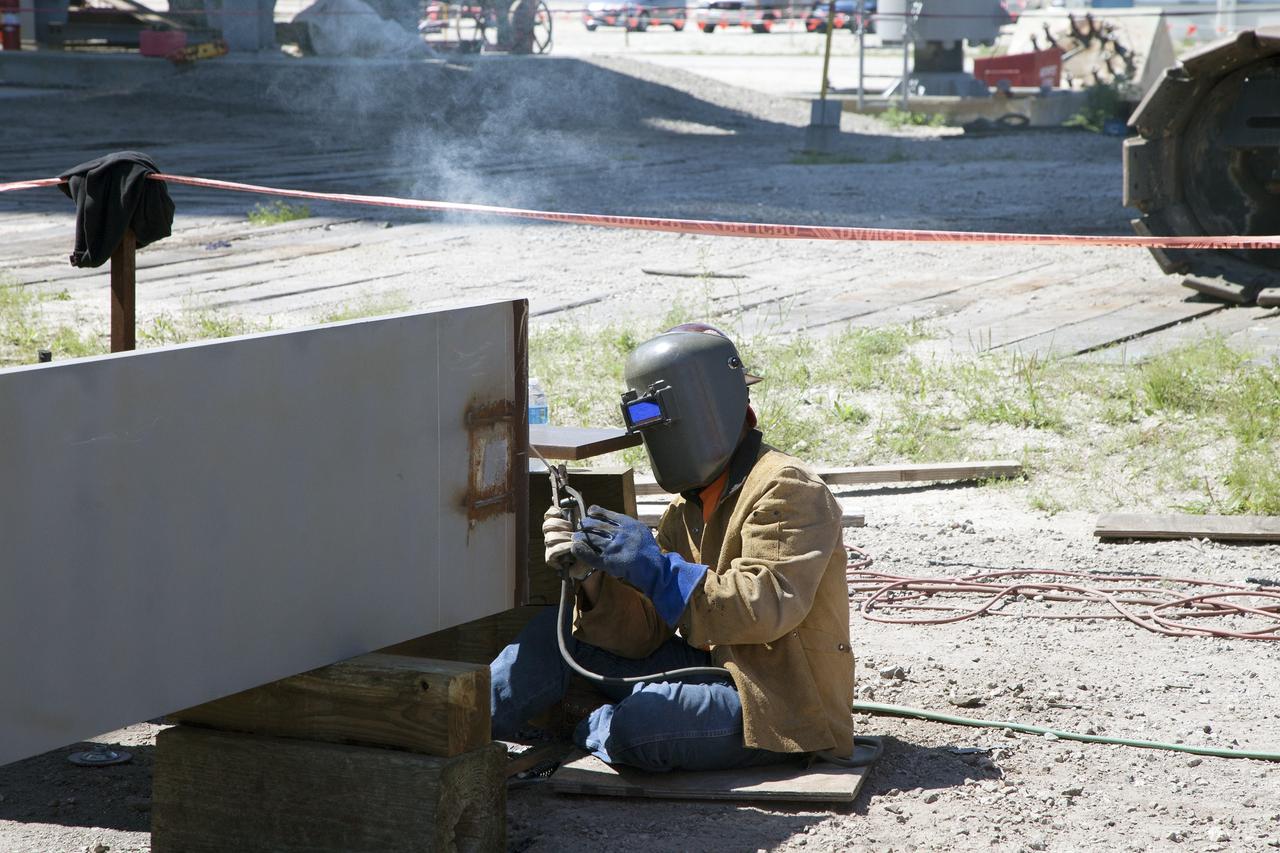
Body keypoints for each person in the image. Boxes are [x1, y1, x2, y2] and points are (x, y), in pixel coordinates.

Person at [490, 323, 854, 772]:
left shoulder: (786, 487)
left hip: (778, 696)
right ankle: (461, 724)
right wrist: (592, 573)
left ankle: (589, 721)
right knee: (554, 632)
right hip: (712, 666)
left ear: (715, 410)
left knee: (643, 724)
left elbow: (764, 609)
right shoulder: (688, 504)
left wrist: (657, 570)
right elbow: (643, 634)